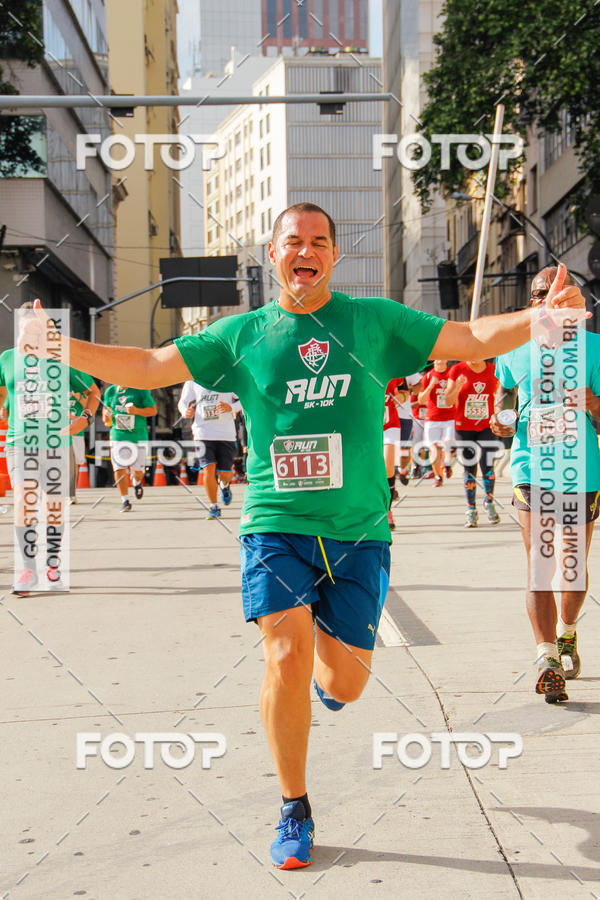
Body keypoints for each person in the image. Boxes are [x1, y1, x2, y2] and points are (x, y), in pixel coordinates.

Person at [20, 204, 587, 868]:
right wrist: (56, 344)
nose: (306, 250)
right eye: (294, 241)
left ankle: (326, 678)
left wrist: (542, 320)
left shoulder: (374, 321)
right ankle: (294, 806)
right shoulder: (242, 334)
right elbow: (149, 364)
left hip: (359, 532)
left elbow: (470, 337)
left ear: (335, 255)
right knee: (284, 654)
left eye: (320, 241)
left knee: (344, 686)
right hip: (276, 524)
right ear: (273, 253)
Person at [491, 265, 600, 703]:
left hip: (581, 471)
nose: (546, 299)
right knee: (540, 562)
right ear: (531, 301)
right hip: (530, 470)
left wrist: (594, 403)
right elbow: (503, 397)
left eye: (557, 292)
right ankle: (547, 658)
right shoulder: (513, 346)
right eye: (538, 294)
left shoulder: (593, 348)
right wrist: (500, 419)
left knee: (571, 569)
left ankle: (567, 632)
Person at [0, 329, 97, 595]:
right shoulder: (8, 358)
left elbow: (93, 392)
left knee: (53, 506)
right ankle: (28, 570)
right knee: (23, 501)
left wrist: (84, 419)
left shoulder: (61, 359)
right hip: (20, 444)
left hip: (56, 443)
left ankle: (52, 567)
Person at [444, 359, 502, 527]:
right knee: (469, 468)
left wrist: (499, 413)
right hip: (464, 427)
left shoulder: (493, 371)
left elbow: (500, 396)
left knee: (487, 465)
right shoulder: (457, 370)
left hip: (486, 426)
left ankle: (489, 502)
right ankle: (471, 510)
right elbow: (448, 401)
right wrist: (457, 386)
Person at [177, 381, 241, 519]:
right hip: (202, 433)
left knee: (225, 474)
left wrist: (231, 407)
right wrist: (185, 411)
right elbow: (183, 401)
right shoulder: (193, 380)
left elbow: (244, 398)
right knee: (208, 468)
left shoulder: (228, 376)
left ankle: (225, 485)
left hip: (226, 434)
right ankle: (214, 506)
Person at [102, 384, 156, 512]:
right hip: (118, 435)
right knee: (119, 467)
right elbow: (106, 419)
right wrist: (107, 416)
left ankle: (136, 481)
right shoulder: (110, 391)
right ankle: (125, 500)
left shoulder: (140, 390)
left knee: (138, 472)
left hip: (138, 436)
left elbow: (153, 410)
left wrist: (136, 410)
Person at [418, 360, 456, 486]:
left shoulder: (452, 373)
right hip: (432, 417)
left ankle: (447, 464)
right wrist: (430, 386)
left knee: (449, 444)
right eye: (437, 358)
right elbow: (421, 400)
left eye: (442, 358)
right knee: (433, 448)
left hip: (450, 416)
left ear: (446, 359)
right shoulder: (428, 376)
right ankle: (438, 476)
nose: (440, 360)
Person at [383, 378, 412, 529]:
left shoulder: (394, 369)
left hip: (389, 424)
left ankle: (387, 511)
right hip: (366, 425)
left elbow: (405, 392)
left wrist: (401, 397)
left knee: (388, 467)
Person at [69, 382, 101, 503]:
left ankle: (71, 493)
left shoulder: (78, 387)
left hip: (76, 432)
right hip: (58, 431)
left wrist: (79, 397)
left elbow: (89, 408)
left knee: (74, 463)